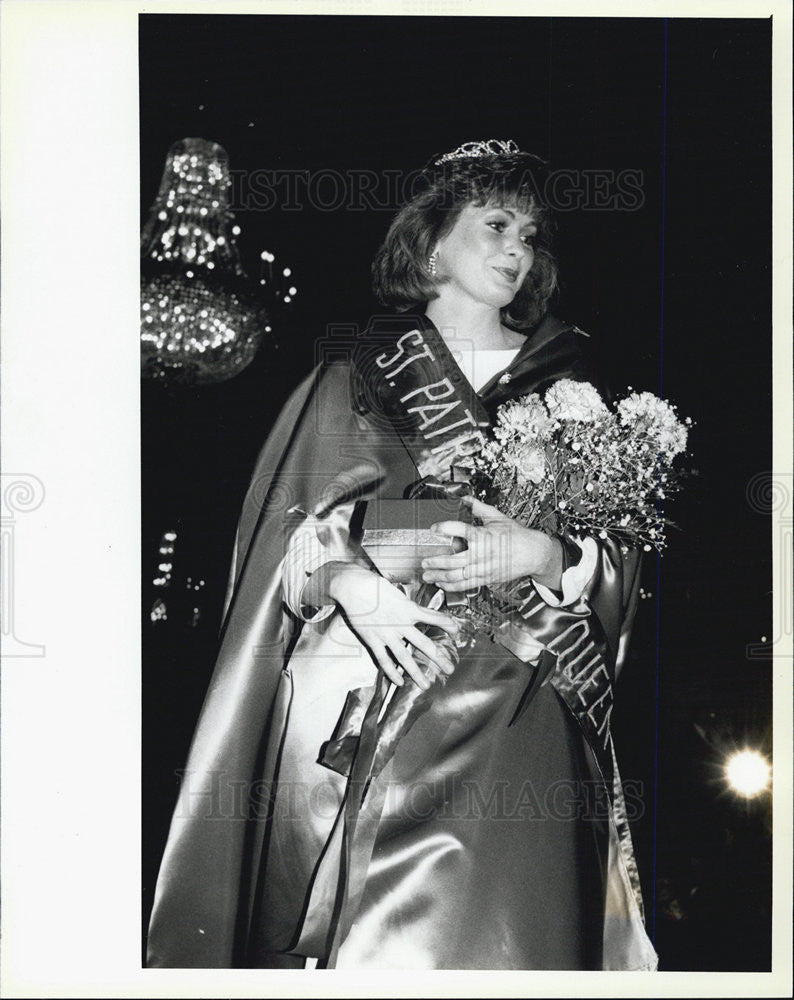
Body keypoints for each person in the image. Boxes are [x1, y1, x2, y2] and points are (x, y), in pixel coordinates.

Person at [146, 139, 658, 971]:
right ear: (430, 246)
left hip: (527, 710)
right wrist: (353, 582)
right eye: (495, 224)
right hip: (383, 689)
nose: (517, 250)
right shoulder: (356, 372)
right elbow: (283, 535)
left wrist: (542, 551)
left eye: (530, 234)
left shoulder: (570, 386)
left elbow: (625, 558)